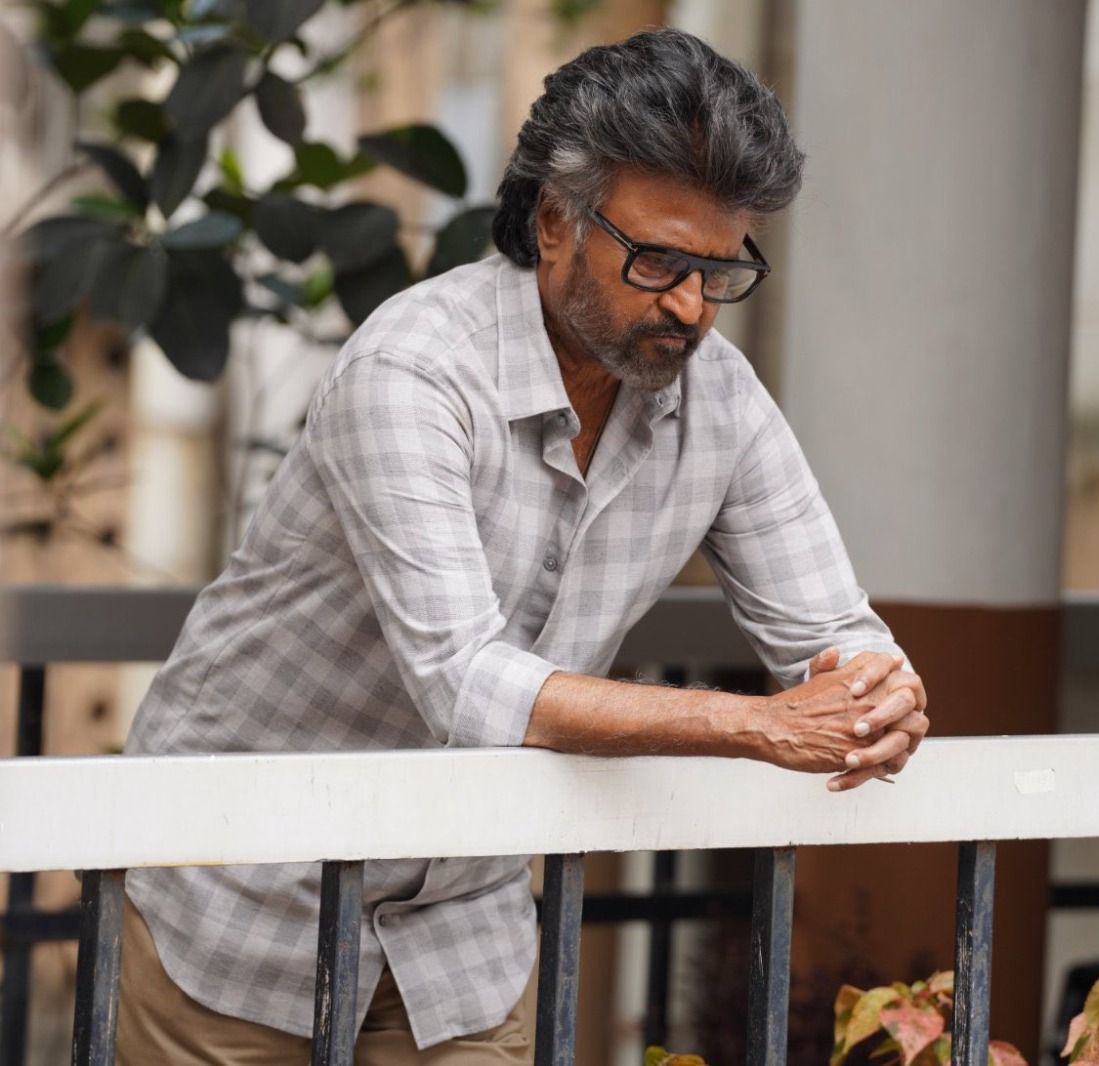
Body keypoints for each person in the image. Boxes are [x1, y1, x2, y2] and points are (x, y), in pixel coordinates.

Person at [115, 27, 928, 1064]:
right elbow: (465, 682)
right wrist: (756, 725)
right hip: (245, 903)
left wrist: (876, 690)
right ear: (553, 224)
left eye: (719, 270)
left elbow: (833, 631)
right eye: (658, 261)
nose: (689, 306)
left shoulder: (720, 396)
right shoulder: (412, 368)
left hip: (462, 933)